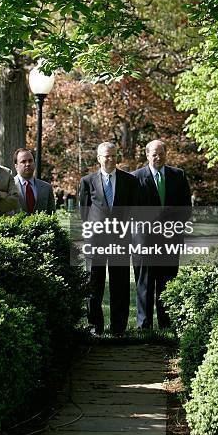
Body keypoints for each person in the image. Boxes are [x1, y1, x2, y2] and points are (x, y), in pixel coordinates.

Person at [79, 142, 138, 336]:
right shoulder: (87, 181)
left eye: (113, 155)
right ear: (98, 158)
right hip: (95, 240)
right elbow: (83, 211)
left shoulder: (129, 181)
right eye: (106, 156)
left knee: (120, 284)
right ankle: (95, 327)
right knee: (93, 283)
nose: (110, 159)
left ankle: (118, 328)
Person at [132, 139, 191, 329]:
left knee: (167, 283)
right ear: (147, 155)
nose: (158, 157)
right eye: (154, 154)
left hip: (170, 239)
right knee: (145, 284)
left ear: (166, 153)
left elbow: (185, 209)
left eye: (161, 153)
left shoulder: (178, 175)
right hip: (144, 240)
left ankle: (166, 325)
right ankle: (144, 325)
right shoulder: (135, 178)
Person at [13, 148, 56, 214]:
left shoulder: (47, 188)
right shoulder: (9, 186)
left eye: (30, 161)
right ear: (16, 166)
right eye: (23, 161)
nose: (27, 164)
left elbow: (52, 215)